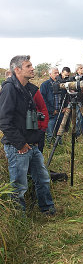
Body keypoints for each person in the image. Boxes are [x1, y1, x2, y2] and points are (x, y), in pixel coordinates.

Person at [0, 55, 56, 215]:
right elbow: (4, 122)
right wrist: (20, 144)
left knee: (43, 179)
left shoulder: (28, 88)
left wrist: (36, 138)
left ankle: (47, 210)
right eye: (28, 66)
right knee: (19, 186)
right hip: (17, 148)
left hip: (32, 145)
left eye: (32, 65)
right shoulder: (9, 89)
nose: (33, 68)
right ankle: (20, 220)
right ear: (17, 69)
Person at [40, 67, 63, 143]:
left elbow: (65, 96)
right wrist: (52, 110)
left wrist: (65, 107)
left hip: (60, 111)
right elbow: (43, 100)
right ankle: (49, 146)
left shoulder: (61, 84)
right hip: (51, 113)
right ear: (50, 74)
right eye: (55, 73)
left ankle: (60, 145)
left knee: (60, 131)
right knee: (50, 132)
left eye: (58, 73)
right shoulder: (45, 85)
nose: (57, 75)